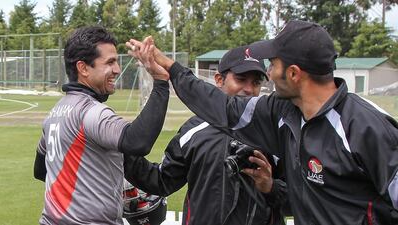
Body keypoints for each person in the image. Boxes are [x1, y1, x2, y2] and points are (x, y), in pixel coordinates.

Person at [127, 20, 398, 225]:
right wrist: (171, 68)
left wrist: (270, 187)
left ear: (293, 73)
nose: (268, 72)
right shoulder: (282, 112)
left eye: (273, 63)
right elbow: (226, 109)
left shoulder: (365, 126)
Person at [124, 45, 288, 225]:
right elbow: (162, 180)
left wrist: (270, 187)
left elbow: (299, 200)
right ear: (219, 79)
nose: (249, 89)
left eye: (256, 82)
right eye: (241, 79)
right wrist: (122, 150)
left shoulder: (275, 132)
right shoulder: (194, 130)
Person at [33, 26, 169, 225]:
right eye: (110, 62)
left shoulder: (54, 113)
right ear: (83, 68)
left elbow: (40, 170)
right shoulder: (90, 112)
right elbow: (138, 142)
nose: (117, 69)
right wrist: (160, 81)